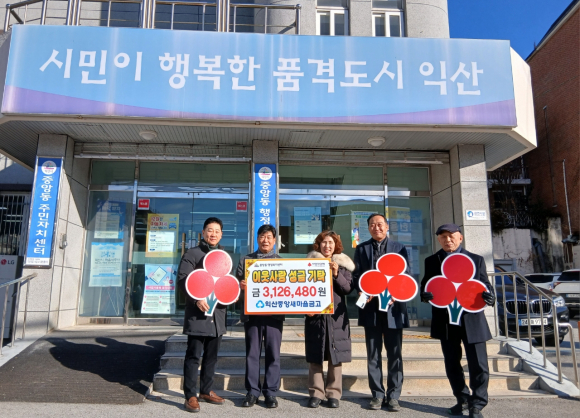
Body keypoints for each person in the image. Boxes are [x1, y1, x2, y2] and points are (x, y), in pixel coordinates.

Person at [420, 224, 496, 418]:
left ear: (460, 238)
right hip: (446, 320)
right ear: (438, 239)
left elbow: (484, 284)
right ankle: (462, 400)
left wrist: (490, 295)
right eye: (443, 236)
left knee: (479, 364)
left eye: (451, 236)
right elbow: (426, 285)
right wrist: (425, 295)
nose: (448, 240)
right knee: (452, 363)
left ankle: (477, 404)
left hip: (472, 319)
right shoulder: (432, 260)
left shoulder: (476, 259)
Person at [353, 213, 412, 412]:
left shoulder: (399, 248)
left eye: (380, 224)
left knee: (395, 353)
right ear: (368, 228)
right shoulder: (362, 248)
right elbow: (357, 275)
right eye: (372, 224)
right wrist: (360, 290)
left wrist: (397, 293)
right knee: (373, 354)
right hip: (371, 309)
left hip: (393, 309)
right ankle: (377, 394)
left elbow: (406, 275)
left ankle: (394, 396)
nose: (376, 227)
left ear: (387, 227)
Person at [177, 217, 228, 413]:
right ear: (203, 232)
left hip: (217, 316)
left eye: (217, 231)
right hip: (198, 314)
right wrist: (196, 299)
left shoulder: (223, 256)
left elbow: (227, 283)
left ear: (221, 235)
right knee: (193, 356)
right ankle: (190, 395)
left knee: (211, 357)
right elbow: (183, 280)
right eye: (210, 230)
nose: (213, 234)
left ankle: (206, 391)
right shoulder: (192, 253)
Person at [305, 231, 354, 409]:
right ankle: (316, 393)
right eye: (324, 242)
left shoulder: (343, 266)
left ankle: (333, 393)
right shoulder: (308, 265)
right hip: (315, 317)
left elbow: (347, 289)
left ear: (336, 246)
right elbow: (300, 289)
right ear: (318, 245)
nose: (327, 246)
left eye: (331, 243)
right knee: (315, 355)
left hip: (336, 318)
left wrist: (336, 273)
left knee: (336, 355)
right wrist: (305, 309)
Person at [236, 224, 284, 409]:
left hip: (274, 316)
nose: (265, 240)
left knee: (273, 355)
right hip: (252, 316)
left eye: (269, 237)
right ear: (257, 239)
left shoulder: (282, 263)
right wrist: (241, 287)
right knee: (252, 354)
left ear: (274, 240)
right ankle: (252, 392)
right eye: (262, 237)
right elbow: (235, 290)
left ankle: (270, 392)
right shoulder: (246, 261)